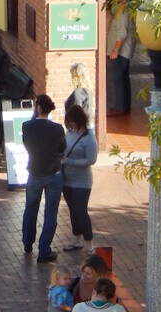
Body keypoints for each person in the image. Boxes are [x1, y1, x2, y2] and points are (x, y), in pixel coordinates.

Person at [20, 94, 66, 262]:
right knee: (50, 213)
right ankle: (44, 249)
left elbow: (26, 144)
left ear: (38, 107)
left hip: (34, 173)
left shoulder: (27, 126)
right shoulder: (57, 128)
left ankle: (27, 242)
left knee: (30, 209)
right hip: (53, 174)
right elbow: (62, 147)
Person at [62, 106, 98, 253]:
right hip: (67, 179)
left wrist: (70, 162)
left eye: (73, 121)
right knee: (72, 210)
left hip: (82, 181)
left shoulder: (89, 138)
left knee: (80, 211)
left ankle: (89, 243)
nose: (71, 124)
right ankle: (77, 239)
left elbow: (91, 159)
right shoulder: (69, 133)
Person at [107, 0, 135, 116]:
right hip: (121, 51)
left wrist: (116, 49)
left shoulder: (123, 10)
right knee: (123, 78)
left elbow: (122, 32)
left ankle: (121, 107)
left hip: (120, 51)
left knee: (119, 78)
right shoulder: (122, 9)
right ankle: (124, 106)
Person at [65, 62, 95, 129]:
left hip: (78, 130)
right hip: (87, 127)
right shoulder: (89, 91)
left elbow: (76, 115)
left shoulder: (78, 93)